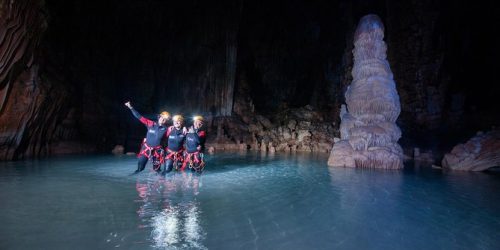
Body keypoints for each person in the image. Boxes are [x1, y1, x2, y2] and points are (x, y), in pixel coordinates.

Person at [125, 101, 169, 173]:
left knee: (157, 170)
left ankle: (160, 181)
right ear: (159, 117)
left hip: (157, 151)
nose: (163, 119)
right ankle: (134, 176)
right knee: (140, 168)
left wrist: (185, 129)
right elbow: (139, 116)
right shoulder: (150, 123)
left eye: (165, 119)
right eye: (162, 117)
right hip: (146, 149)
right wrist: (130, 107)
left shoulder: (166, 129)